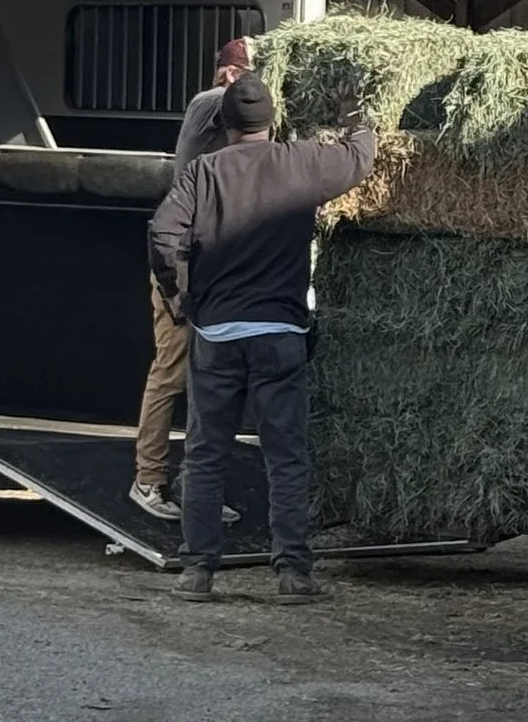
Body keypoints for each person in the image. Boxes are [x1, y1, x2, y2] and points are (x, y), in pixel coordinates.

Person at [147, 73, 376, 601]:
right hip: (280, 332)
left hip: (217, 333)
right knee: (286, 455)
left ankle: (198, 571)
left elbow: (162, 232)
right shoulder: (301, 161)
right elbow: (360, 155)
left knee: (205, 454)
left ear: (224, 123)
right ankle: (293, 572)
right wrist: (353, 113)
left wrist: (180, 298)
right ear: (272, 122)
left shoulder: (204, 172)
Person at [131, 34, 255, 517]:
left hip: (214, 262)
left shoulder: (230, 125)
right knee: (172, 369)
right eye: (245, 75)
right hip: (181, 263)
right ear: (228, 74)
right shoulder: (206, 105)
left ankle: (196, 487)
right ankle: (148, 479)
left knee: (209, 378)